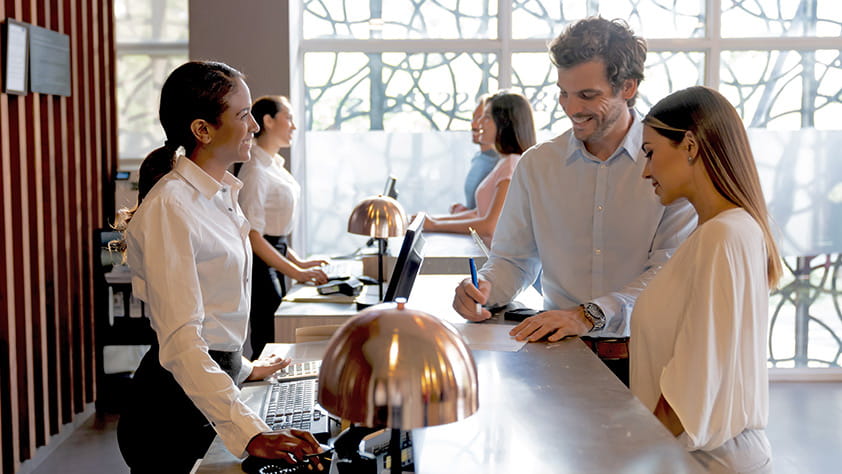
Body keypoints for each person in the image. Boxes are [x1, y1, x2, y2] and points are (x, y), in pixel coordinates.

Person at [452, 17, 696, 385]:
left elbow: (668, 274)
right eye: (563, 92)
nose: (570, 107)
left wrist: (589, 314)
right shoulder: (538, 164)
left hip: (651, 358)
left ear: (627, 87)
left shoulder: (671, 163)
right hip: (559, 354)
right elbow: (514, 259)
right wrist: (483, 290)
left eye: (588, 95)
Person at [116, 61, 323, 473]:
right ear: (203, 130)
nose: (253, 127)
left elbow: (214, 315)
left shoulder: (220, 194)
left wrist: (243, 366)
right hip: (170, 415)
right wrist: (251, 432)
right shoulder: (171, 206)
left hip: (209, 389)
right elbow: (182, 342)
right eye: (243, 115)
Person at [631, 86, 780, 472]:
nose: (646, 170)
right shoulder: (733, 229)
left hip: (705, 461)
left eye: (650, 152)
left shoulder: (721, 236)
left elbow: (690, 387)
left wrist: (625, 453)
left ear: (691, 145)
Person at [237, 95, 328, 358]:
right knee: (270, 339)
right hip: (259, 264)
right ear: (267, 120)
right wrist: (297, 272)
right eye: (288, 117)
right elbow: (253, 236)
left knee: (278, 337)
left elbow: (274, 233)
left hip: (273, 255)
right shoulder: (255, 169)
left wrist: (301, 264)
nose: (294, 126)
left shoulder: (273, 164)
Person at [423, 91, 536, 241]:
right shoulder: (505, 161)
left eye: (486, 117)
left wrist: (434, 226)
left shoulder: (511, 164)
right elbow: (479, 213)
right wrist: (433, 221)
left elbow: (489, 226)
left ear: (504, 123)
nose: (479, 122)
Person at [449, 94, 499, 214]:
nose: (474, 124)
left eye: (482, 118)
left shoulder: (503, 163)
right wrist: (463, 210)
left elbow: (489, 216)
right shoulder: (478, 158)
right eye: (474, 118)